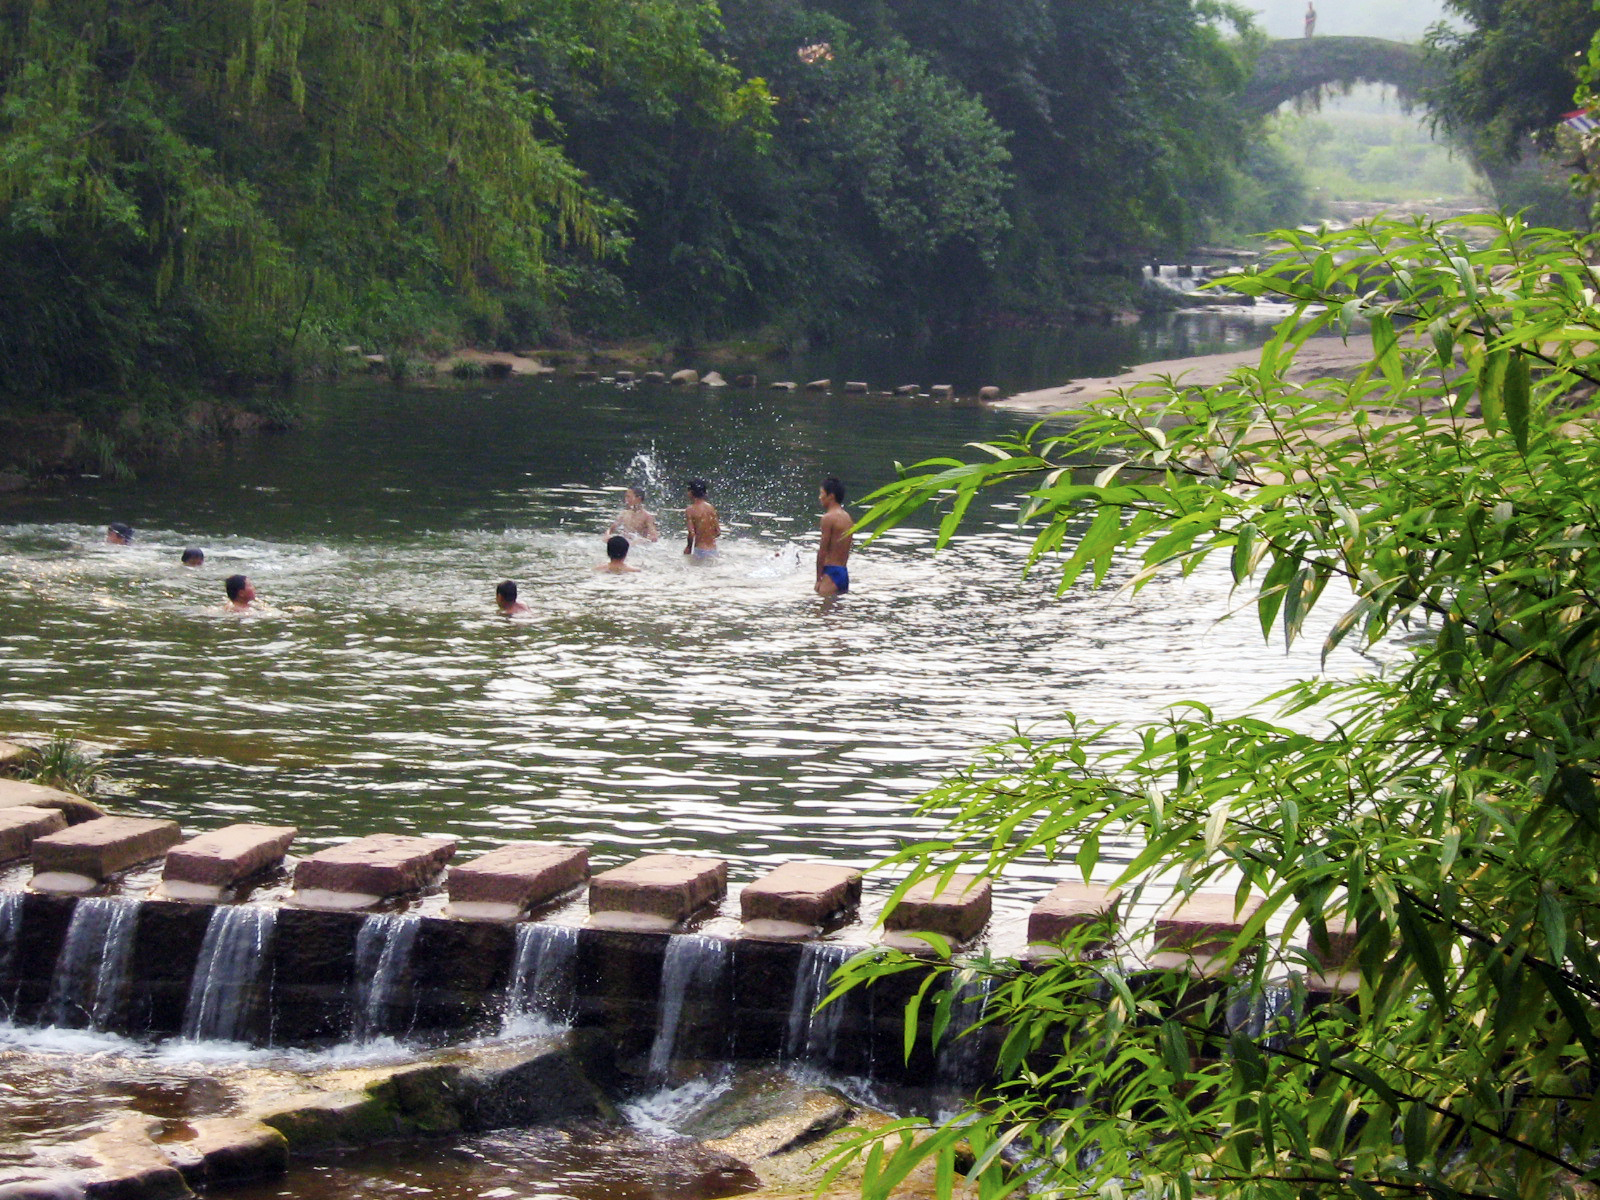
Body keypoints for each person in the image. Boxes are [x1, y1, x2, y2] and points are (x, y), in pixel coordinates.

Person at [815, 476, 853, 596]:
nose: (819, 497)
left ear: (831, 496)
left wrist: (818, 579)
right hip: (843, 572)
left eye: (822, 493)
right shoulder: (847, 518)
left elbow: (823, 550)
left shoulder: (828, 518)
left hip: (830, 573)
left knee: (822, 611)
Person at [683, 479, 721, 558]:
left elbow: (691, 534)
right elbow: (717, 532)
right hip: (714, 551)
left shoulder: (690, 509)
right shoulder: (711, 508)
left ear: (691, 492)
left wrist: (689, 548)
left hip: (700, 550)